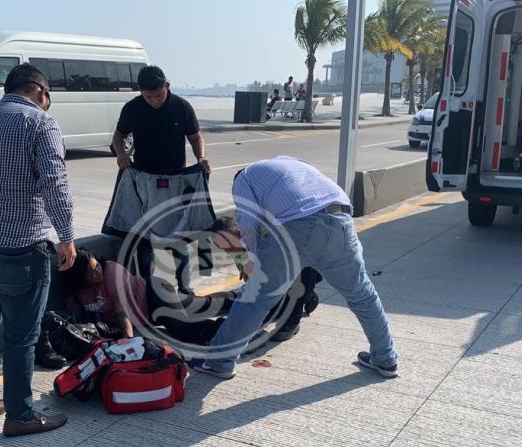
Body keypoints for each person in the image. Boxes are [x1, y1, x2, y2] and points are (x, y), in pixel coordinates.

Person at [0, 63, 77, 436]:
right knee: (22, 336)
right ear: (41, 92)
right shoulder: (40, 123)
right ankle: (20, 416)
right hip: (20, 248)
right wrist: (66, 236)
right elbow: (55, 183)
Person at [192, 156, 398, 380]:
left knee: (255, 300)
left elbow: (249, 224)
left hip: (296, 227)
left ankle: (220, 362)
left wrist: (251, 266)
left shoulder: (244, 178)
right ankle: (386, 358)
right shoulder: (293, 165)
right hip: (341, 220)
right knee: (362, 295)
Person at [111, 65, 210, 294]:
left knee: (180, 236)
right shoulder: (132, 108)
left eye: (158, 95)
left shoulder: (182, 107)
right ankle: (149, 289)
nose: (154, 101)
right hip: (144, 180)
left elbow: (196, 137)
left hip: (176, 180)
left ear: (167, 86)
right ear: (140, 92)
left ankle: (185, 287)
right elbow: (119, 136)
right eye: (148, 97)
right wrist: (122, 155)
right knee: (146, 239)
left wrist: (201, 158)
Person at [61, 250, 234, 343]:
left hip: (152, 293)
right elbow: (78, 319)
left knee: (180, 326)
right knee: (199, 306)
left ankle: (232, 329)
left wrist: (128, 340)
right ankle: (236, 300)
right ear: (79, 278)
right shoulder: (75, 292)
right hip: (145, 315)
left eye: (96, 266)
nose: (97, 272)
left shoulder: (111, 271)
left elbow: (122, 310)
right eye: (90, 272)